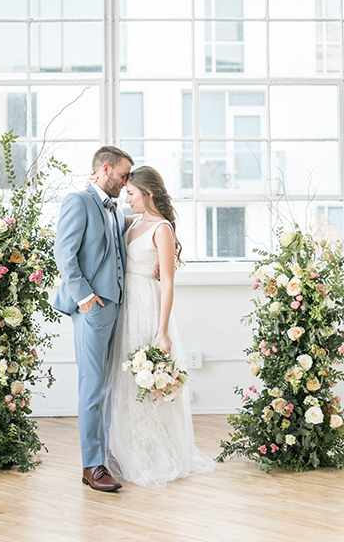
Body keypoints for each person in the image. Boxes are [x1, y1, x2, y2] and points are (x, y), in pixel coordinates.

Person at [104, 166, 215, 487]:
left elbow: (168, 282)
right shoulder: (133, 221)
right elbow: (102, 215)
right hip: (126, 306)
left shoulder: (162, 229)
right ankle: (129, 448)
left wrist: (162, 330)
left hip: (148, 306)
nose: (127, 198)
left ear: (148, 194)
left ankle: (155, 450)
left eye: (132, 193)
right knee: (126, 377)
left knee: (145, 376)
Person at [53, 145, 134, 492]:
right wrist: (85, 299)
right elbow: (64, 254)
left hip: (117, 305)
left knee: (109, 385)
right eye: (123, 175)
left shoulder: (114, 207)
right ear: (104, 169)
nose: (126, 181)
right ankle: (92, 466)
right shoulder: (78, 201)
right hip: (93, 307)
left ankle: (106, 455)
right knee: (92, 387)